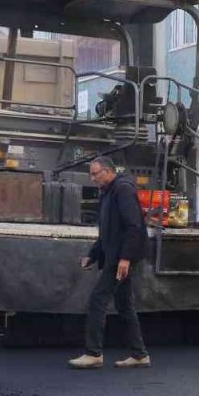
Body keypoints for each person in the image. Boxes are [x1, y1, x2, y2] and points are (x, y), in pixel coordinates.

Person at [69, 157, 150, 369]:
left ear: (107, 171)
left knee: (98, 299)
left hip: (120, 258)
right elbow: (108, 231)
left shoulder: (122, 190)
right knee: (124, 304)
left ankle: (93, 354)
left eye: (95, 174)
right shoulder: (108, 192)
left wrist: (126, 258)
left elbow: (134, 226)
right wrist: (93, 255)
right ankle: (140, 355)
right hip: (117, 256)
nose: (92, 178)